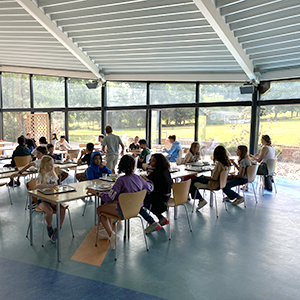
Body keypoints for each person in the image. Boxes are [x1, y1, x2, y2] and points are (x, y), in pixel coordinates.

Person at [86, 155, 154, 249]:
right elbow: (150, 188)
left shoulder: (120, 181)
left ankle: (111, 235)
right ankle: (108, 231)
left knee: (100, 209)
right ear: (133, 167)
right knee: (108, 205)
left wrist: (97, 193)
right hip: (136, 209)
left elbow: (109, 197)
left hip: (124, 211)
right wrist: (148, 181)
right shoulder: (139, 178)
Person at [190, 145, 231, 211]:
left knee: (192, 181)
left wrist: (204, 177)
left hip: (214, 184)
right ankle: (198, 198)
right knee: (195, 179)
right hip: (221, 183)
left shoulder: (219, 164)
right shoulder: (227, 163)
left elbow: (213, 178)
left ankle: (200, 199)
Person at [36, 155, 66, 243]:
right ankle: (49, 226)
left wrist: (56, 187)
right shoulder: (41, 174)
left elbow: (56, 185)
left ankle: (58, 228)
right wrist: (49, 186)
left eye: (52, 165)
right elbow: (37, 185)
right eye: (50, 165)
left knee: (62, 209)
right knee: (49, 211)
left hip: (53, 198)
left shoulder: (53, 174)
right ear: (44, 165)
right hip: (42, 199)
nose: (52, 167)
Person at [139, 153, 172, 233]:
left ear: (158, 162)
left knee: (138, 203)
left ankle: (152, 222)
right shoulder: (165, 171)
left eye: (153, 161)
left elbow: (146, 183)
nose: (150, 162)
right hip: (167, 197)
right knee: (146, 201)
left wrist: (143, 177)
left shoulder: (156, 174)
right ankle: (161, 218)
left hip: (159, 199)